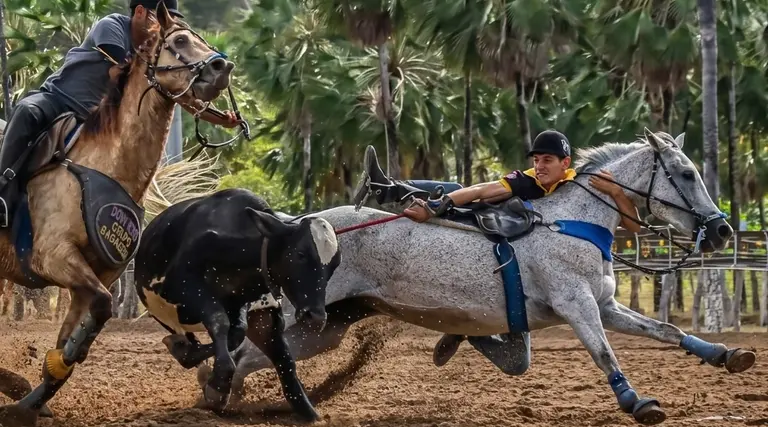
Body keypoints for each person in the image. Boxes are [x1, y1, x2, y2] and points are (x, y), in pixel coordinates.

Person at [352, 129, 642, 368]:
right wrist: (437, 205)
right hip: (496, 252)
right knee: (455, 187)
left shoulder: (581, 187)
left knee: (518, 364)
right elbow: (480, 191)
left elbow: (634, 226)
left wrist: (616, 192)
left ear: (565, 163)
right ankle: (387, 188)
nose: (540, 166)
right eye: (537, 160)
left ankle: (472, 334)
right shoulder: (527, 180)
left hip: (530, 282)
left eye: (547, 160)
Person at [0, 0, 242, 228]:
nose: (163, 25)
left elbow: (181, 98)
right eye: (158, 17)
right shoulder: (112, 26)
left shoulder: (156, 57)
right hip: (59, 100)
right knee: (27, 110)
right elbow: (119, 72)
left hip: (95, 123)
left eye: (169, 19)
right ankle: (2, 192)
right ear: (139, 12)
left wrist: (222, 119)